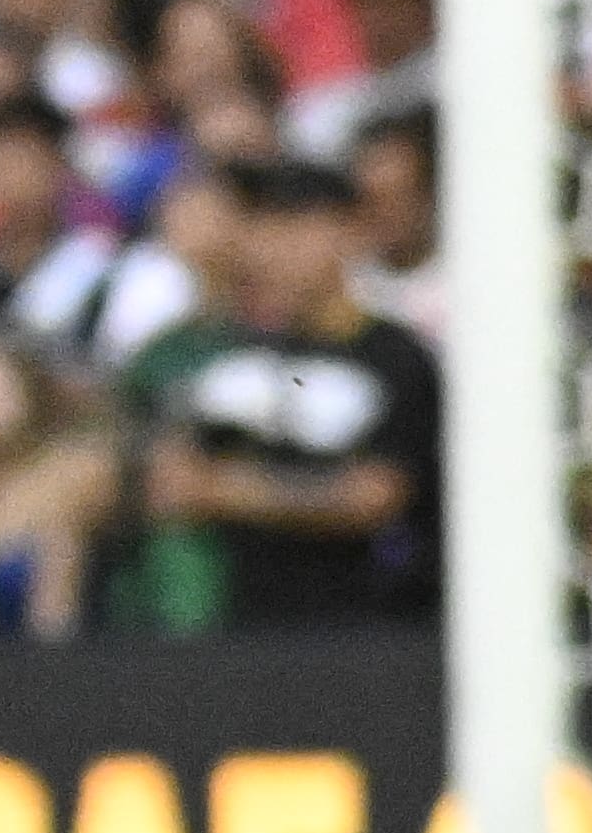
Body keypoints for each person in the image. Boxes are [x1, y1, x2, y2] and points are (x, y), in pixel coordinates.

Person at [123, 151, 444, 625]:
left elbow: (377, 495)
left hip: (368, 634)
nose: (274, 250)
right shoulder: (233, 358)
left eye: (295, 229)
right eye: (264, 230)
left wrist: (225, 490)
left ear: (351, 233)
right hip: (241, 632)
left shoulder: (394, 356)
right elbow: (170, 475)